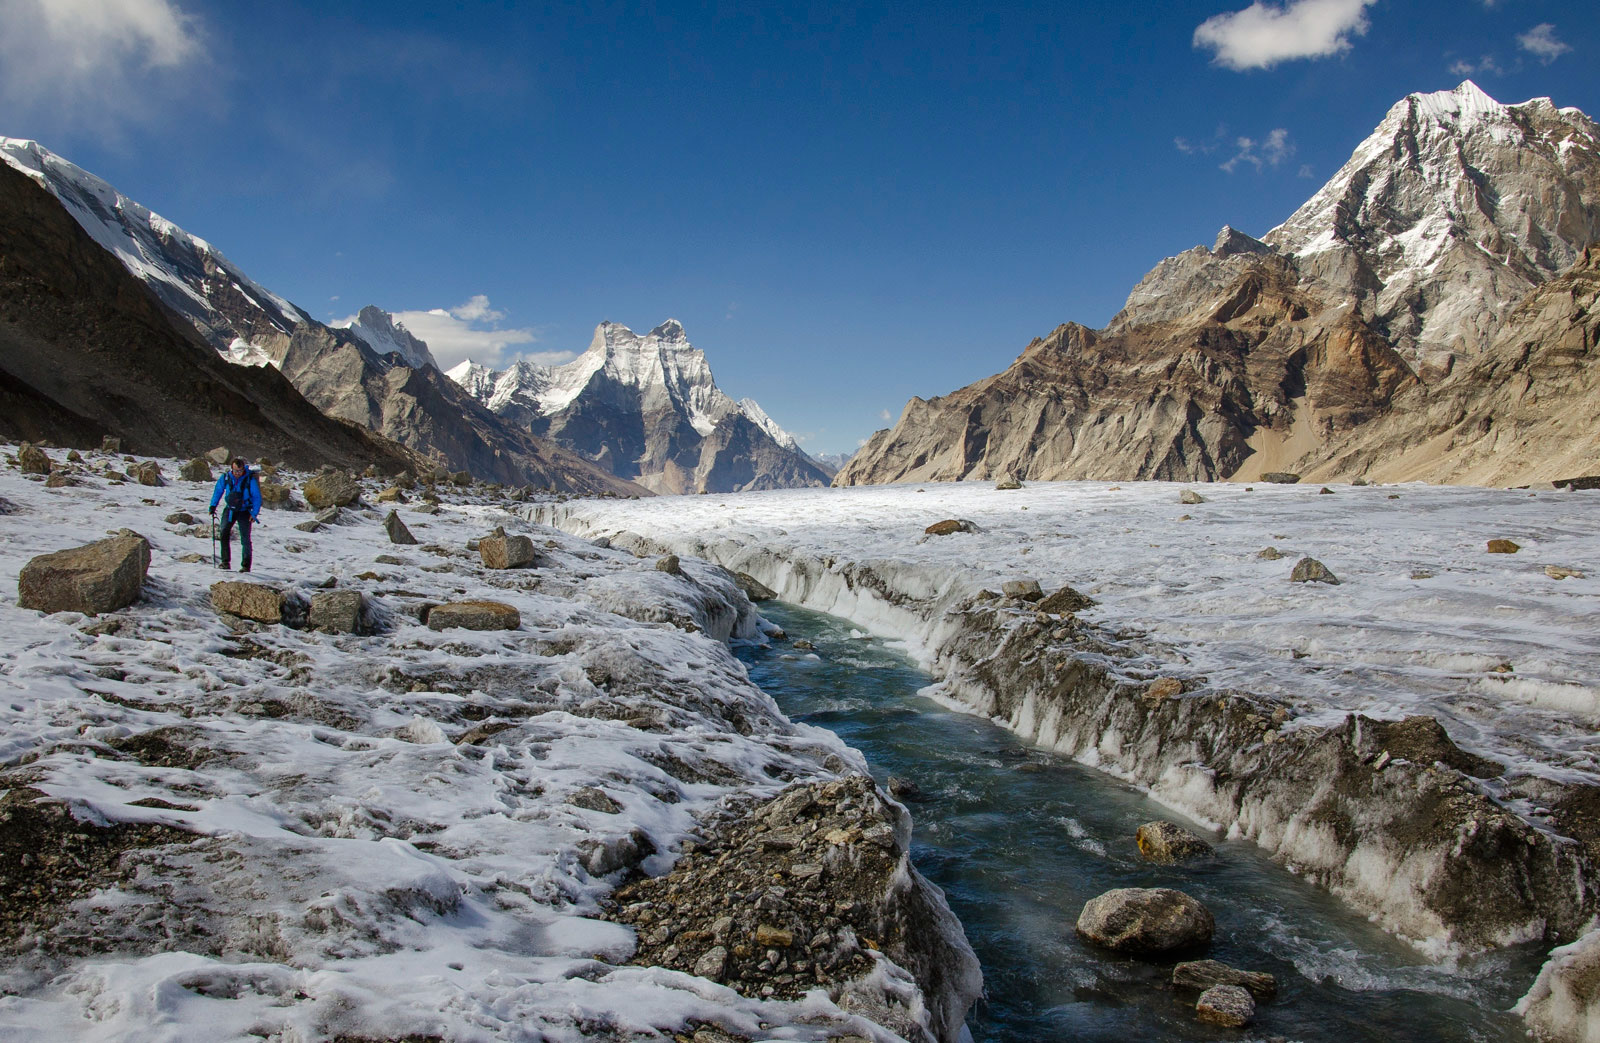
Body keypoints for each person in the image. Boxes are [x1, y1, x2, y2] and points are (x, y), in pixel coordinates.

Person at [210, 457, 262, 572]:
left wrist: (254, 514)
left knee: (245, 539)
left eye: (240, 470)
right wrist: (213, 506)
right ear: (231, 469)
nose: (238, 473)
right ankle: (225, 562)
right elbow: (218, 491)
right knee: (224, 532)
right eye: (235, 471)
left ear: (243, 468)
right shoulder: (226, 477)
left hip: (245, 511)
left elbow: (257, 497)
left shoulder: (250, 480)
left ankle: (246, 566)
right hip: (230, 509)